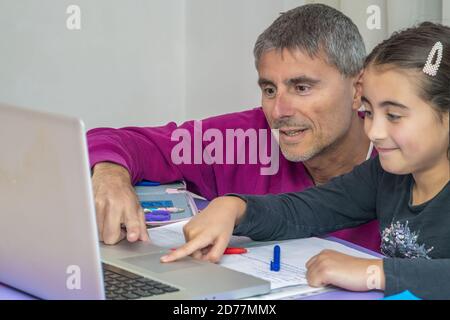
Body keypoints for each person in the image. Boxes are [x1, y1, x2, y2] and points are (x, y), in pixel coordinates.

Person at [162, 23, 450, 300]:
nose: (374, 131)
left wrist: (375, 273)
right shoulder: (385, 175)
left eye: (394, 116)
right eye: (370, 112)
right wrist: (236, 208)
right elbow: (309, 209)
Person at [87, 4, 380, 251]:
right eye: (268, 89)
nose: (278, 111)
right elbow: (121, 141)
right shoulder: (242, 140)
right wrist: (110, 174)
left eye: (301, 87)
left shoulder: (399, 159)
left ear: (357, 90)